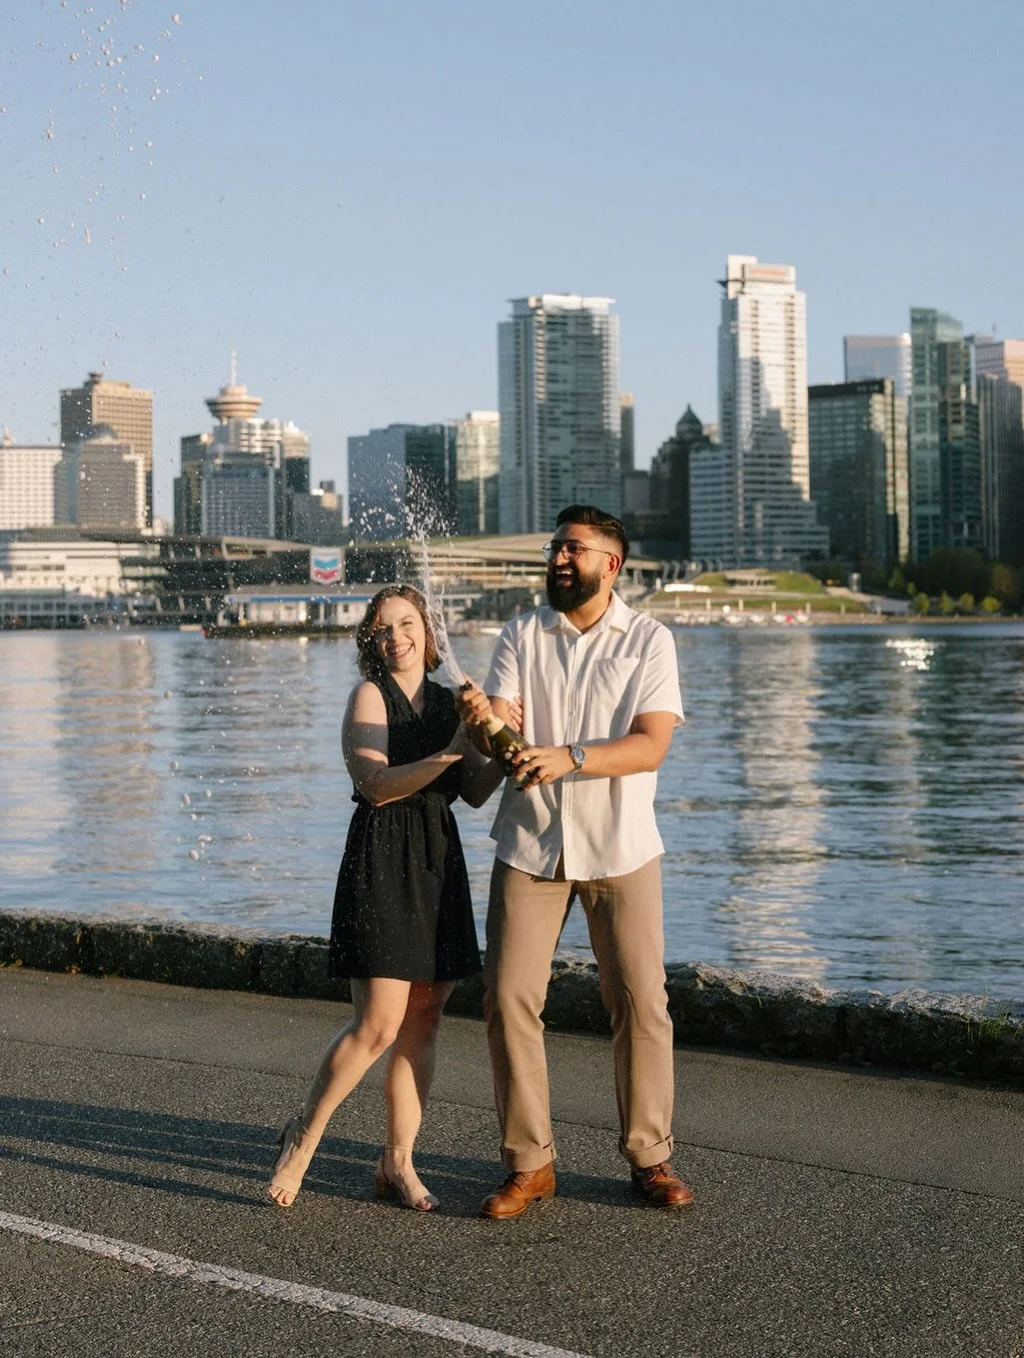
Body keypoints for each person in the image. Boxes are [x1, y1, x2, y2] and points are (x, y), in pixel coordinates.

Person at [458, 505, 692, 1218]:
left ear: (610, 565)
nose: (559, 557)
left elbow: (651, 744)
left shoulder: (649, 641)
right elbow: (503, 730)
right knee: (506, 999)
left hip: (621, 845)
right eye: (555, 547)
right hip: (530, 844)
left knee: (640, 1003)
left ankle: (650, 1157)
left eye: (573, 548)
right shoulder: (522, 633)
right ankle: (529, 1164)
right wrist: (485, 726)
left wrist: (569, 758)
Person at [268, 584, 503, 1212]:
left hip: (436, 860)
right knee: (376, 1024)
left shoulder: (453, 702)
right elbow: (373, 785)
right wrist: (453, 748)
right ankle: (303, 1139)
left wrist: (500, 740)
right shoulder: (368, 695)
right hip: (382, 857)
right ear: (371, 643)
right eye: (382, 628)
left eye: (406, 623)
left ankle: (396, 1163)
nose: (395, 635)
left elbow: (475, 791)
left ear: (428, 632)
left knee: (423, 1019)